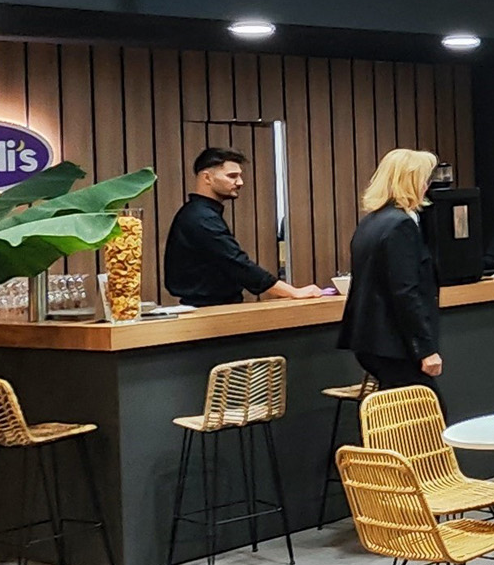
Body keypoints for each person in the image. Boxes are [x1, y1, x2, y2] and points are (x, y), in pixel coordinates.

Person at [342, 149, 446, 390]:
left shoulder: (370, 223)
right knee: (426, 408)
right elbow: (405, 292)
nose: (426, 186)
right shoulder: (401, 226)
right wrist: (425, 349)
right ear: (410, 182)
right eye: (423, 179)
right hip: (395, 344)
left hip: (370, 342)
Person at [162, 147, 317, 307]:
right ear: (207, 178)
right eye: (232, 176)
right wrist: (293, 292)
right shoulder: (201, 217)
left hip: (211, 306)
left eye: (240, 176)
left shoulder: (198, 213)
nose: (240, 182)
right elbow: (236, 262)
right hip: (209, 309)